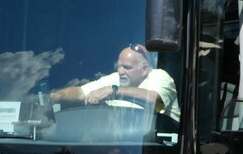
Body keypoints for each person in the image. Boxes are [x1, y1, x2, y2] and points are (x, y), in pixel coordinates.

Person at [51, 45, 179, 121]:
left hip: (157, 149)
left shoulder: (159, 76)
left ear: (144, 69)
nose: (120, 71)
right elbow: (80, 92)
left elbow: (157, 103)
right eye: (119, 66)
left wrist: (114, 91)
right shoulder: (115, 79)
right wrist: (57, 96)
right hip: (117, 144)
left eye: (127, 67)